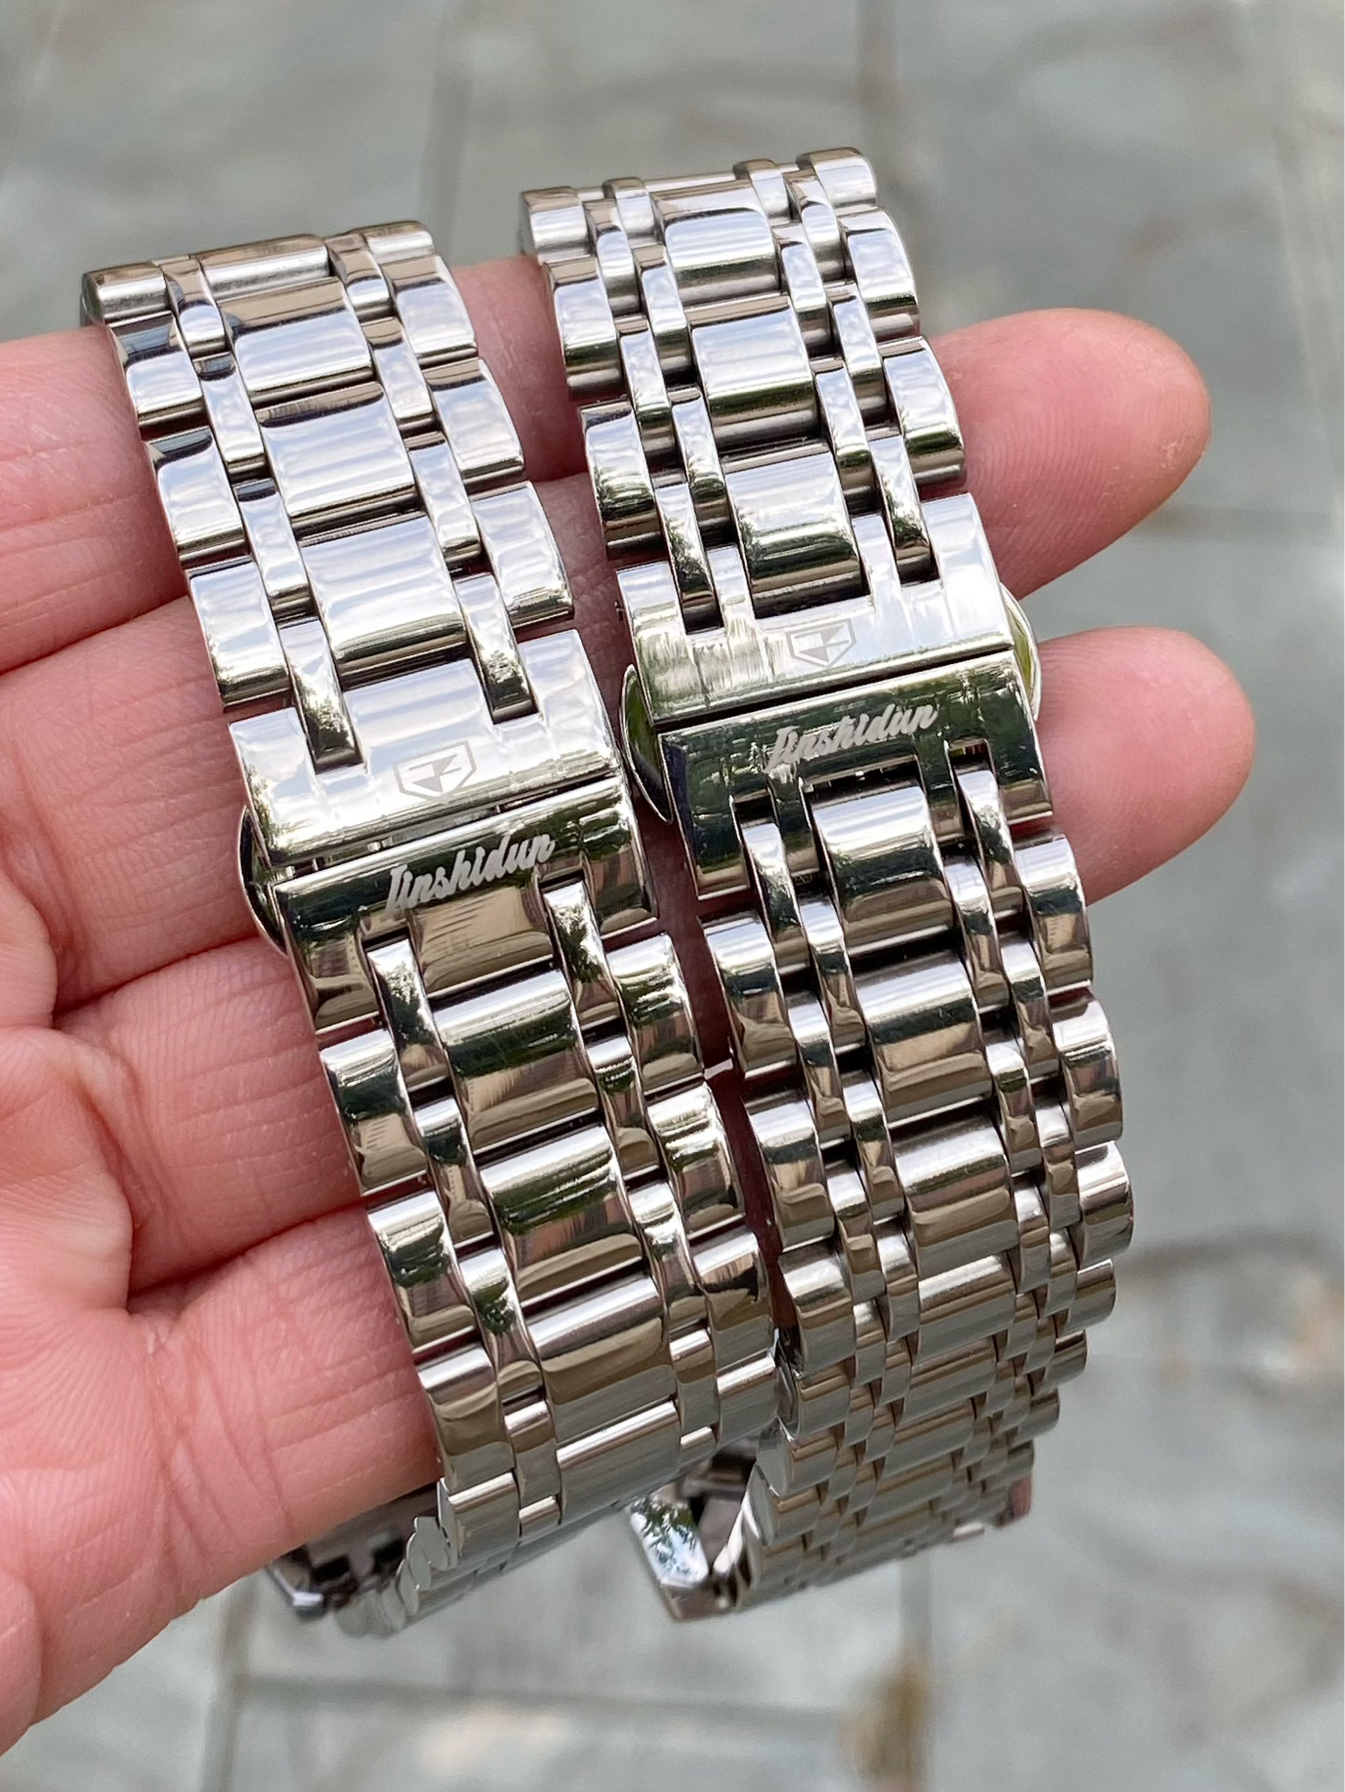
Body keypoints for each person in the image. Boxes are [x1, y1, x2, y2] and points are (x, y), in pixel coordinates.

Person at [0, 258, 1254, 1750]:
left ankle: (909, 1414)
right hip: (510, 1008)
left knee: (857, 1210)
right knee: (688, 1283)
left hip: (650, 938)